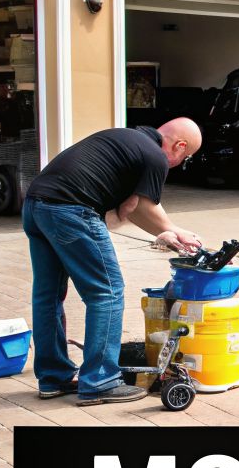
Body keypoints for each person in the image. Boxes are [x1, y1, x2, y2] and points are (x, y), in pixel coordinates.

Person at [22, 118, 204, 405]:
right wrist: (172, 229)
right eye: (186, 157)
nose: (181, 162)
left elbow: (131, 208)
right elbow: (146, 207)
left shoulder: (127, 139)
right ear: (180, 146)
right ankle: (100, 381)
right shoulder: (154, 156)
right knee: (106, 292)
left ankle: (53, 378)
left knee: (48, 296)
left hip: (35, 205)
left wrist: (169, 230)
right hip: (72, 209)